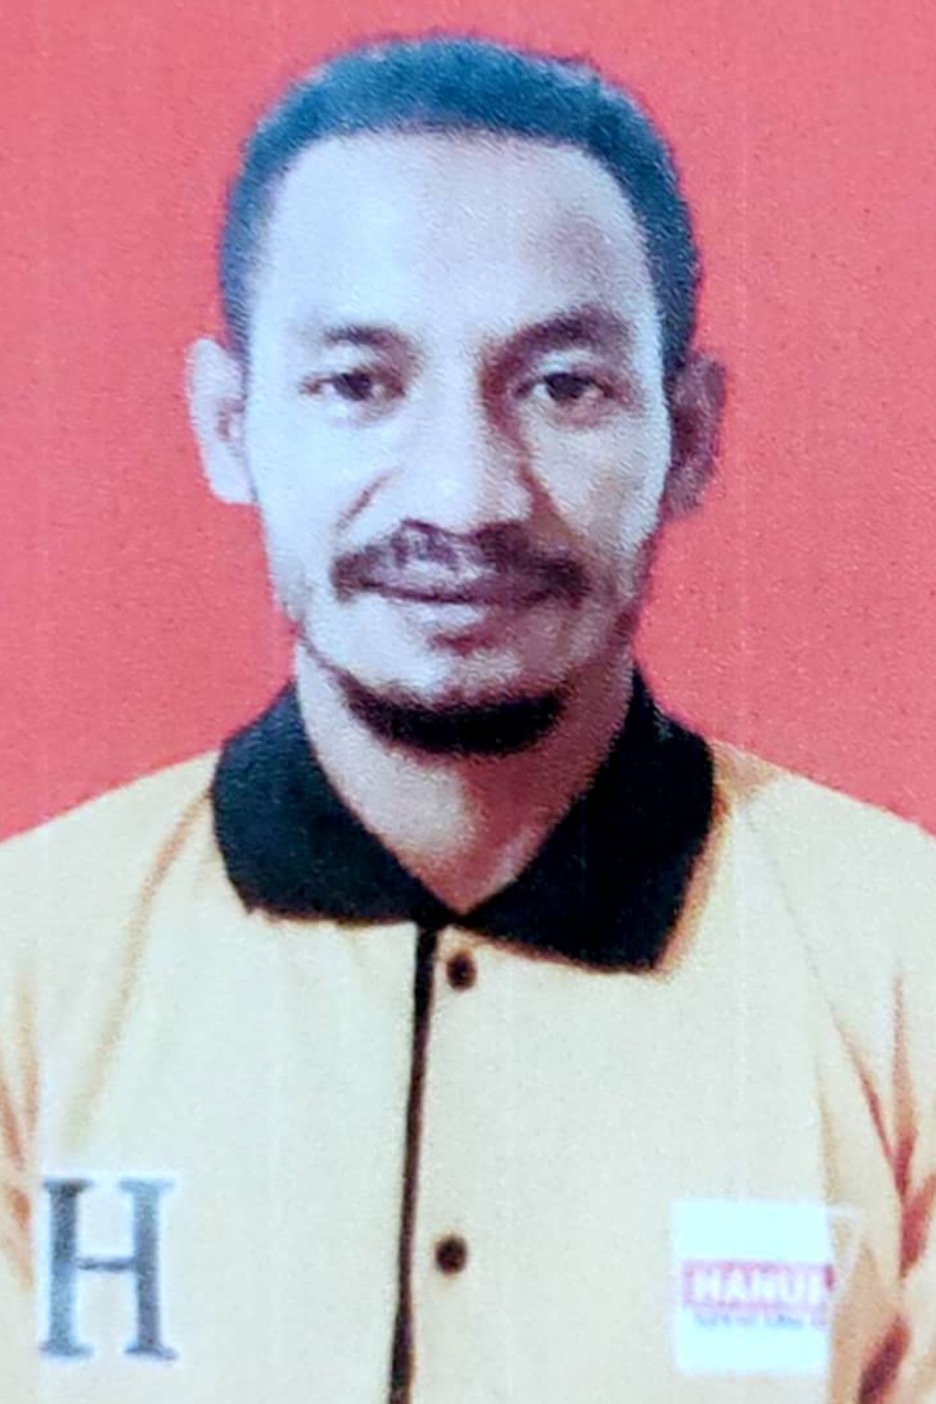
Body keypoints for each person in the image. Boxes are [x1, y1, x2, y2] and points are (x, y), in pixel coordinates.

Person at [2, 33, 935, 1403]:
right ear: (228, 424)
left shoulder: (907, 969)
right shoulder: (28, 969)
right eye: (358, 384)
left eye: (563, 387)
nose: (464, 493)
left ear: (691, 435)